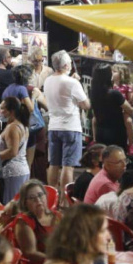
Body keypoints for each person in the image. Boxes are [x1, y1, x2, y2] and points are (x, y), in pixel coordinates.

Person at [45, 50, 90, 204]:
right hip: (70, 127)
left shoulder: (48, 80)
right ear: (65, 65)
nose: (71, 65)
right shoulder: (72, 82)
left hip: (53, 126)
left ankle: (51, 198)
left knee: (54, 164)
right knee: (68, 166)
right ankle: (65, 200)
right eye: (70, 63)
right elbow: (86, 105)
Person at [15, 179, 63, 264]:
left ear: (46, 196)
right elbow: (30, 253)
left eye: (40, 195)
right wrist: (59, 262)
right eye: (32, 198)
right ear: (25, 203)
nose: (38, 200)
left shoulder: (57, 216)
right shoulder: (23, 222)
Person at [90, 64, 133, 152]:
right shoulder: (114, 94)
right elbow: (129, 109)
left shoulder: (93, 93)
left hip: (100, 132)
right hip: (116, 133)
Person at [0, 97, 31, 203]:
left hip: (13, 172)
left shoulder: (13, 128)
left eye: (2, 109)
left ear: (11, 111)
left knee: (11, 206)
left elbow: (13, 152)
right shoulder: (21, 126)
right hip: (20, 170)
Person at [112, 64, 133, 155]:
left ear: (121, 74)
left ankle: (131, 144)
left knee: (128, 121)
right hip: (113, 108)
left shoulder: (128, 85)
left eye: (114, 71)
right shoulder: (111, 85)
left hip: (125, 109)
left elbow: (131, 100)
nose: (112, 73)